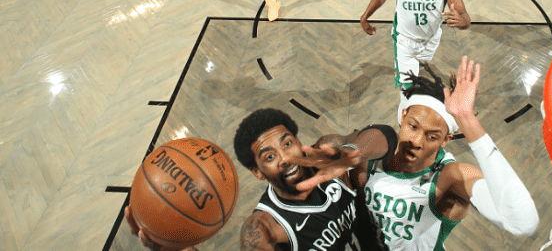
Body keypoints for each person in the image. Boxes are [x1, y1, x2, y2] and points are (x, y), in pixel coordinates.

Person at [294, 56, 540, 250]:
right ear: (403, 116)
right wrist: (341, 152)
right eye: (413, 127)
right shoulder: (371, 154)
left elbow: (522, 223)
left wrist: (467, 119)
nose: (416, 141)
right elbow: (334, 143)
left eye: (432, 136)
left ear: (446, 140)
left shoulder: (452, 176)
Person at [125, 109, 397, 251]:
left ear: (298, 140)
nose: (285, 158)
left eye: (287, 143)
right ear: (257, 172)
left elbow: (385, 135)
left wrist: (353, 153)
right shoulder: (263, 228)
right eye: (269, 156)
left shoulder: (327, 154)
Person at [360, 0, 471, 117]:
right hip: (404, 41)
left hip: (430, 40)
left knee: (419, 69)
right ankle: (404, 121)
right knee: (408, 89)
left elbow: (465, 18)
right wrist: (365, 18)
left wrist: (462, 22)